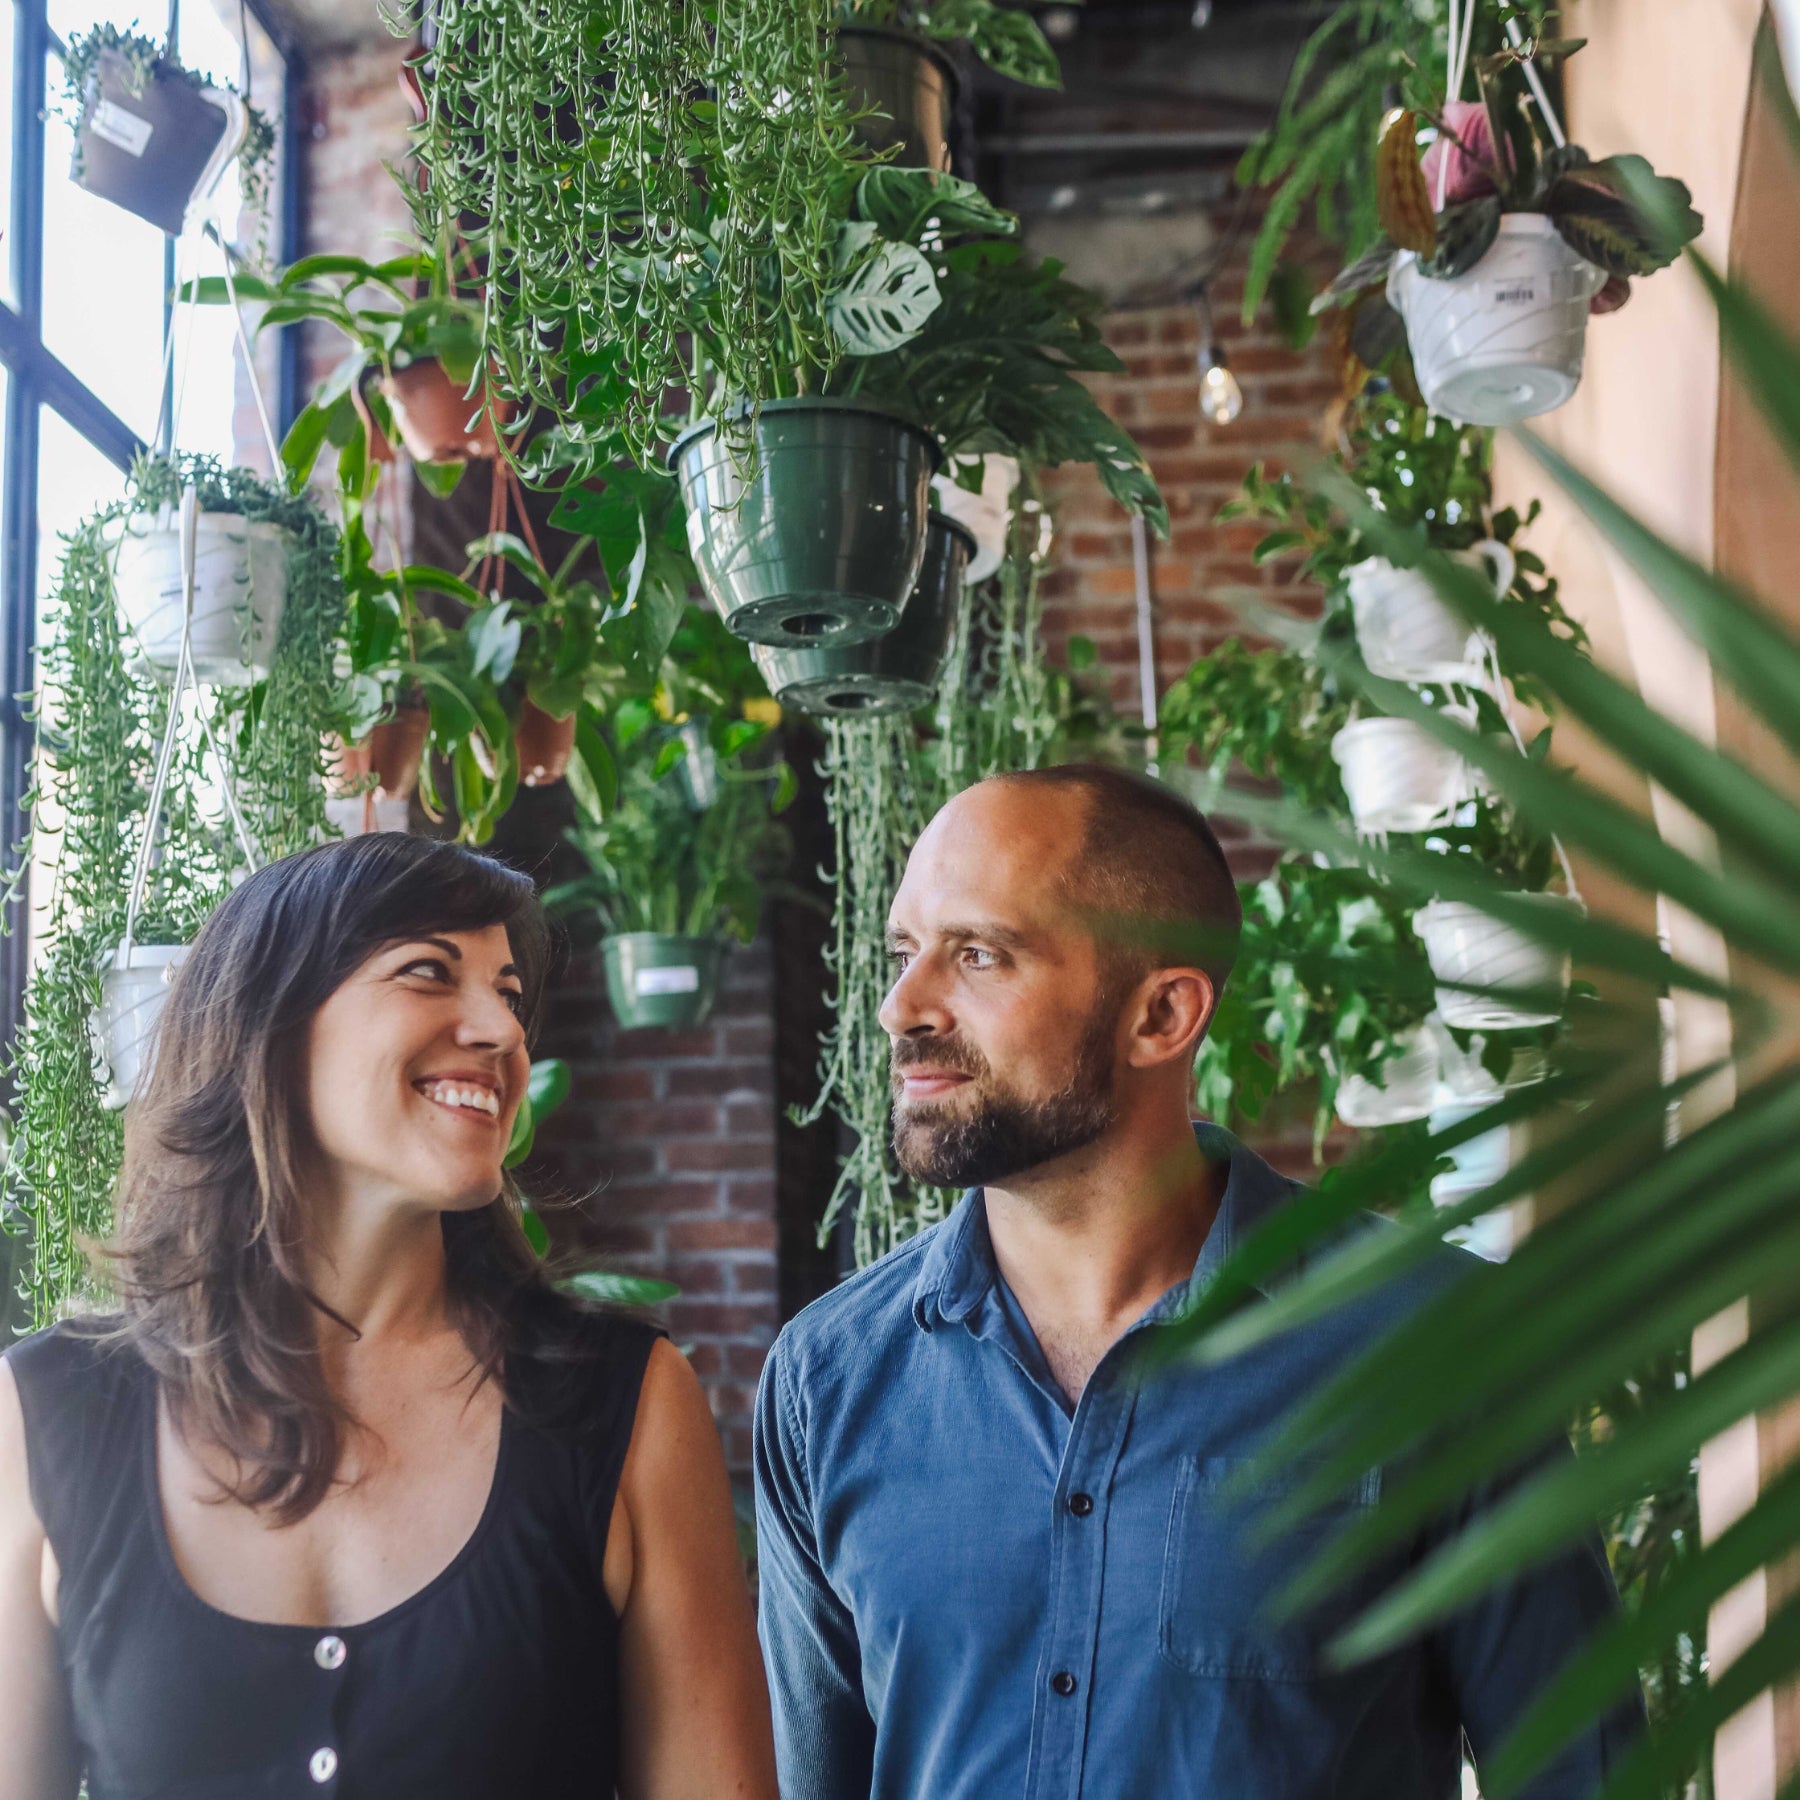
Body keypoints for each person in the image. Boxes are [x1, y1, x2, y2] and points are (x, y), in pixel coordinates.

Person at [754, 764, 1640, 1800]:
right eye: (905, 953)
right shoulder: (829, 1382)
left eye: (979, 956)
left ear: (1162, 1014)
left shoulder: (1432, 1345)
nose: (902, 1005)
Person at [0, 833, 778, 1800]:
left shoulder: (623, 1405)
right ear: (272, 1026)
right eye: (428, 973)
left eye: (509, 993)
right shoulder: (50, 1409)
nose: (501, 1031)